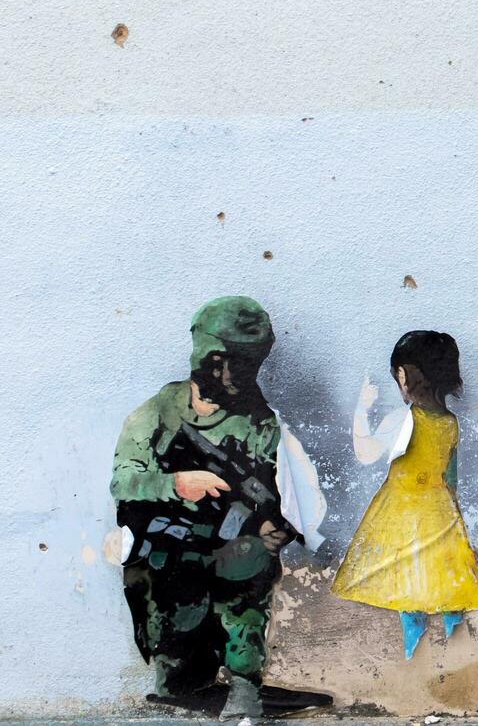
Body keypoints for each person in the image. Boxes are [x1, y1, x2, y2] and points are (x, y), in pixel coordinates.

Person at [111, 296, 329, 720]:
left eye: (242, 364)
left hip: (228, 548)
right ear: (200, 354)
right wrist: (178, 484)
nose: (229, 375)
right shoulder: (159, 411)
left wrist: (273, 526)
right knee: (178, 673)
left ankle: (245, 685)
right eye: (218, 361)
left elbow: (274, 493)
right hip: (166, 554)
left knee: (249, 556)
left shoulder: (259, 421)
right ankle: (183, 676)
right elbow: (122, 481)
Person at [332, 330, 478, 658]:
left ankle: (414, 652)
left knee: (406, 583)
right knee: (444, 582)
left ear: (403, 376)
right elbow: (452, 479)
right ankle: (451, 650)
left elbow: (364, 451)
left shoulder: (402, 420)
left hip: (401, 512)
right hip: (439, 510)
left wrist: (361, 410)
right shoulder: (449, 422)